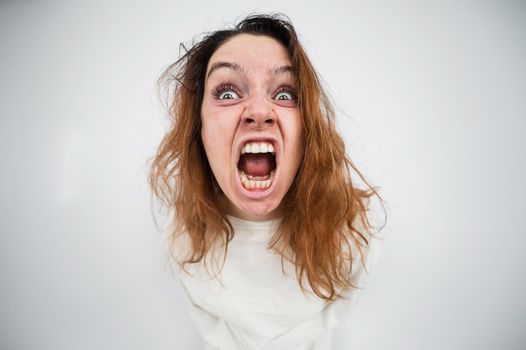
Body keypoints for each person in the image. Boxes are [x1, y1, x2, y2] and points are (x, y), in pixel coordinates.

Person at [149, 13, 385, 350]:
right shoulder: (181, 234)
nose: (259, 111)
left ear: (309, 128)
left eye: (286, 93)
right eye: (228, 93)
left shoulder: (356, 230)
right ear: (198, 126)